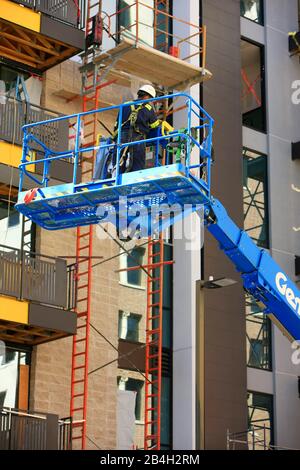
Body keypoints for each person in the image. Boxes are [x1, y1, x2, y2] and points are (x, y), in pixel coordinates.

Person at [112, 84, 161, 173]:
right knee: (138, 162)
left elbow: (117, 124)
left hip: (122, 136)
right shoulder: (148, 108)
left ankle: (116, 175)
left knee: (118, 159)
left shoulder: (125, 105)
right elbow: (155, 126)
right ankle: (136, 177)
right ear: (147, 96)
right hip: (138, 138)